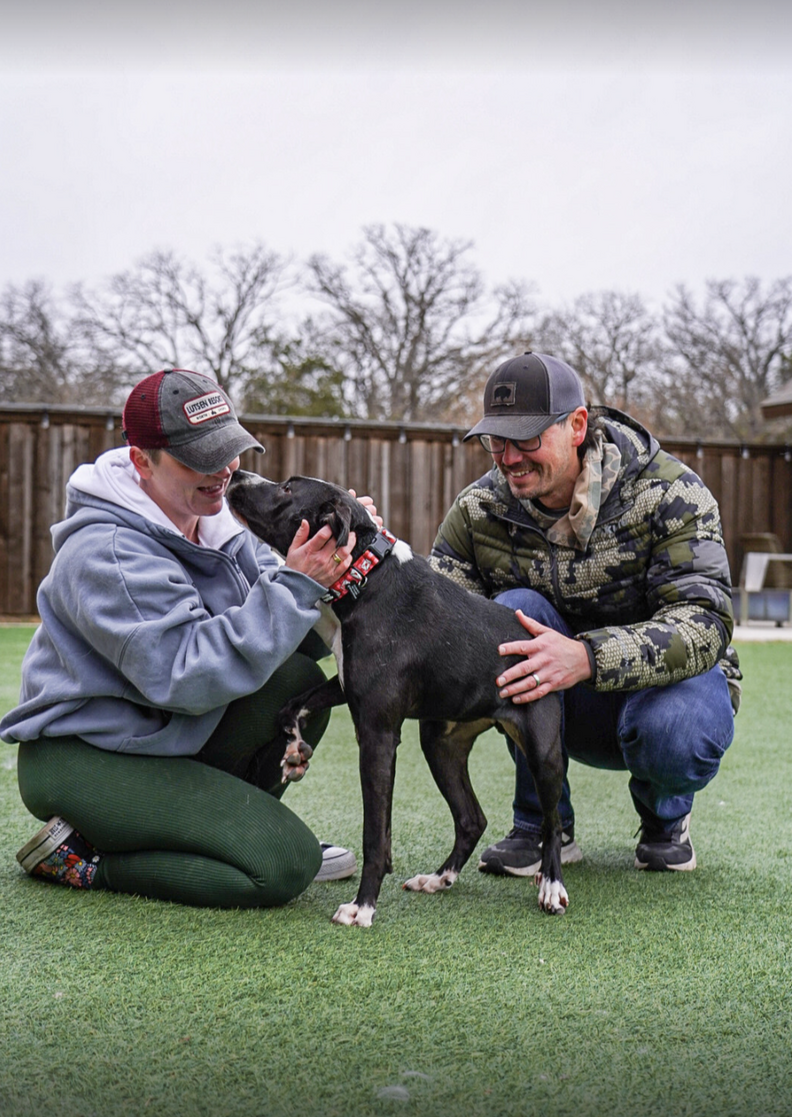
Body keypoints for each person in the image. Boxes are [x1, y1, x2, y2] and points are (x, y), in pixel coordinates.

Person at [2, 368, 370, 907]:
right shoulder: (107, 552)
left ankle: (228, 836)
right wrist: (296, 586)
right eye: (199, 457)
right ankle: (83, 863)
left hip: (164, 735)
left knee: (299, 685)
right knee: (284, 865)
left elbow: (296, 641)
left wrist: (345, 569)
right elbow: (185, 675)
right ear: (141, 460)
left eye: (229, 449)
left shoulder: (216, 523)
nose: (223, 470)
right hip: (84, 757)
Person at [430, 350, 741, 876]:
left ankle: (666, 819)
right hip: (554, 702)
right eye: (496, 441)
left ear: (577, 426)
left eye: (527, 440)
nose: (509, 458)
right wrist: (370, 563)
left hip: (662, 695)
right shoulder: (477, 510)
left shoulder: (669, 491)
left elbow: (705, 623)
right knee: (512, 614)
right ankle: (542, 823)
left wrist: (587, 657)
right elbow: (436, 616)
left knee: (676, 728)